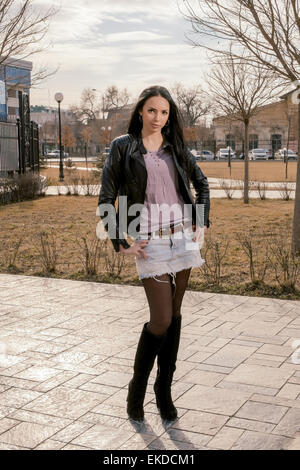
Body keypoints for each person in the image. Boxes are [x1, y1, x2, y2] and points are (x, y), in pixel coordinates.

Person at [98, 85, 210, 422]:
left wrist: (200, 222)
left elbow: (201, 184)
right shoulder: (123, 146)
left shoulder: (175, 147)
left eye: (164, 112)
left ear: (169, 115)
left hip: (184, 238)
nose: (158, 118)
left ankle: (164, 389)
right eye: (152, 111)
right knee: (161, 318)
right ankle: (138, 389)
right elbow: (107, 197)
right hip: (151, 241)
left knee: (174, 315)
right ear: (140, 112)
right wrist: (121, 242)